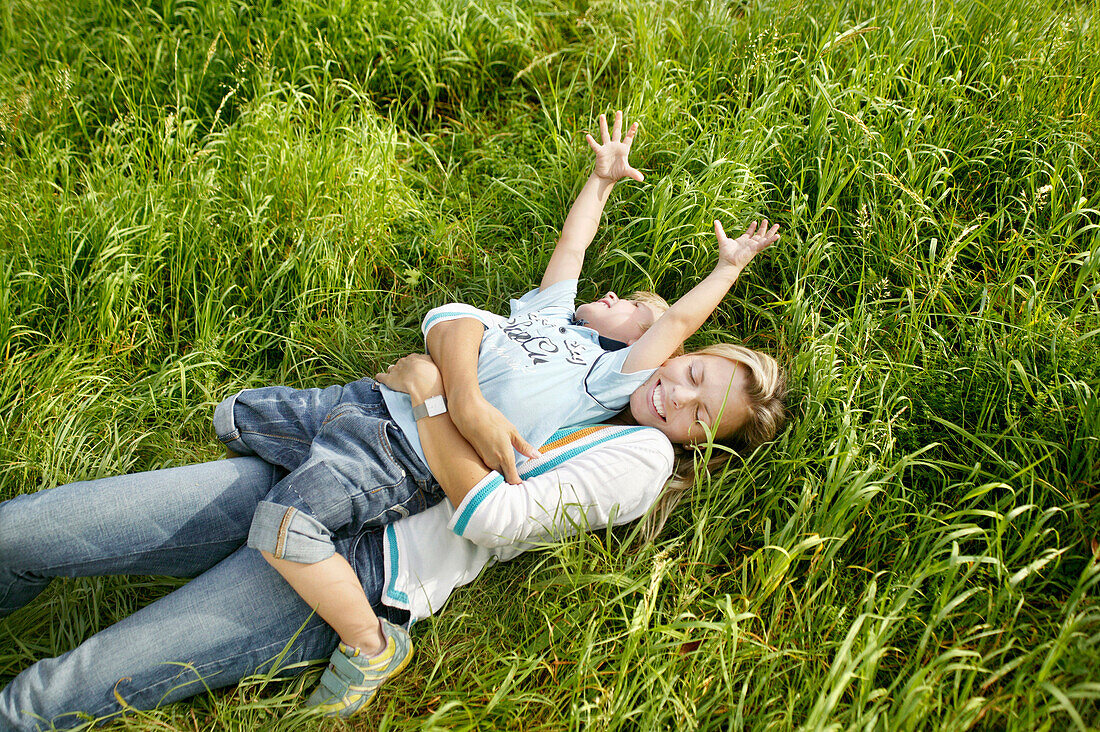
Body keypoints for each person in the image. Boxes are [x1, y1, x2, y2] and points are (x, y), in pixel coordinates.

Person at [235, 110, 781, 716]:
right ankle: (239, 428)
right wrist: (599, 182)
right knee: (238, 416)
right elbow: (573, 247)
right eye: (626, 297)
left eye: (633, 307)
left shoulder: (610, 378)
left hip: (413, 453)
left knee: (291, 513)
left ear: (652, 348)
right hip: (379, 406)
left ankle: (371, 644)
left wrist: (728, 267)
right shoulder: (549, 317)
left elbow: (678, 320)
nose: (613, 297)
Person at [0, 345, 786, 730]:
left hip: (366, 561)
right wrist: (448, 384)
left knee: (62, 688)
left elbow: (494, 517)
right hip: (315, 470)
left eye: (698, 412)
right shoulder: (593, 353)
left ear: (699, 443)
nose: (675, 394)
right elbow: (448, 339)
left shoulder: (641, 459)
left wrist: (444, 403)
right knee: (22, 531)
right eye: (694, 371)